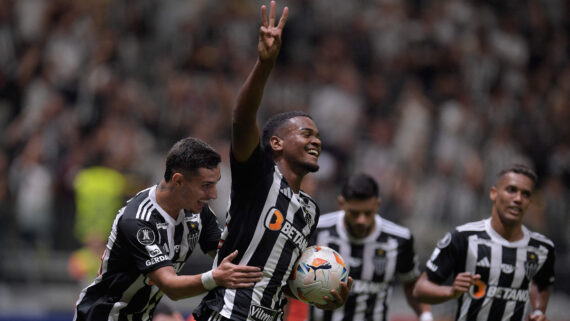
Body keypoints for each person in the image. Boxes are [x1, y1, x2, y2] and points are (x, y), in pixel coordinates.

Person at [193, 2, 352, 321]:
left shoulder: (309, 210)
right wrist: (264, 64)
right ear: (276, 143)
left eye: (317, 135)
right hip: (227, 315)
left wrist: (321, 293)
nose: (316, 141)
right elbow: (241, 117)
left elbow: (277, 277)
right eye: (306, 134)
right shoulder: (259, 177)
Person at [73, 137, 263, 321]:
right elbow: (171, 286)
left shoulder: (198, 211)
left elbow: (227, 255)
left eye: (215, 184)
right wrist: (216, 277)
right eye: (206, 186)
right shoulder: (138, 220)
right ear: (178, 181)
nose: (213, 194)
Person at [413, 164, 555, 321]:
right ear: (493, 193)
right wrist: (452, 292)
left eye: (526, 194)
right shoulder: (463, 237)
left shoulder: (542, 248)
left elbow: (542, 284)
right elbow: (419, 289)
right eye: (511, 190)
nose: (518, 199)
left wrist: (538, 311)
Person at [297, 173, 433, 321]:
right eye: (354, 213)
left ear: (377, 205)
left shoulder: (399, 239)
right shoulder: (316, 230)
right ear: (341, 203)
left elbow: (412, 284)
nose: (361, 220)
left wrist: (426, 316)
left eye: (368, 213)